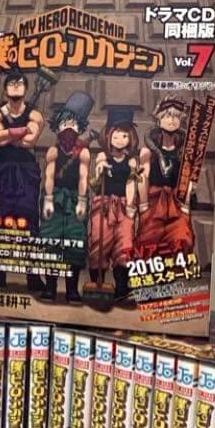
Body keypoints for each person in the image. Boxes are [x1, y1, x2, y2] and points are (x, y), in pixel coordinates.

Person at [0, 71, 44, 291]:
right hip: (0, 173)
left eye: (20, 83)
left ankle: (33, 276)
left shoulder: (35, 115)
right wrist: (20, 130)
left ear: (26, 88)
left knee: (30, 223)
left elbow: (29, 142)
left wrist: (9, 134)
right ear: (5, 88)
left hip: (26, 173)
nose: (16, 86)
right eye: (11, 83)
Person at [39, 91, 93, 303]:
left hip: (74, 199)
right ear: (57, 127)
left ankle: (72, 289)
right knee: (50, 240)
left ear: (80, 127)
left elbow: (83, 177)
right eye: (65, 123)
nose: (69, 128)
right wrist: (48, 199)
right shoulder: (53, 151)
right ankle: (50, 287)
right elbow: (49, 176)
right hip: (55, 197)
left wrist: (82, 201)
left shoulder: (84, 153)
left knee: (75, 242)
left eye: (73, 124)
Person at [88, 107, 139, 303]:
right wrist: (100, 171)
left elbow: (131, 183)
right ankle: (97, 284)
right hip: (103, 204)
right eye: (115, 135)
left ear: (130, 137)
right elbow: (95, 184)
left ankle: (122, 287)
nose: (119, 139)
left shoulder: (132, 162)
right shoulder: (103, 157)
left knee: (124, 244)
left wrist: (131, 206)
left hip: (123, 205)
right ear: (108, 136)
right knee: (99, 242)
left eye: (124, 135)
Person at [136, 98, 195, 258]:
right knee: (148, 241)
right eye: (167, 116)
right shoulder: (148, 152)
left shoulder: (184, 152)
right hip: (154, 201)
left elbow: (188, 178)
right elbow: (143, 176)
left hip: (176, 202)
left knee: (181, 239)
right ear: (159, 119)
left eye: (176, 116)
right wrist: (143, 205)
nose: (172, 120)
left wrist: (185, 205)